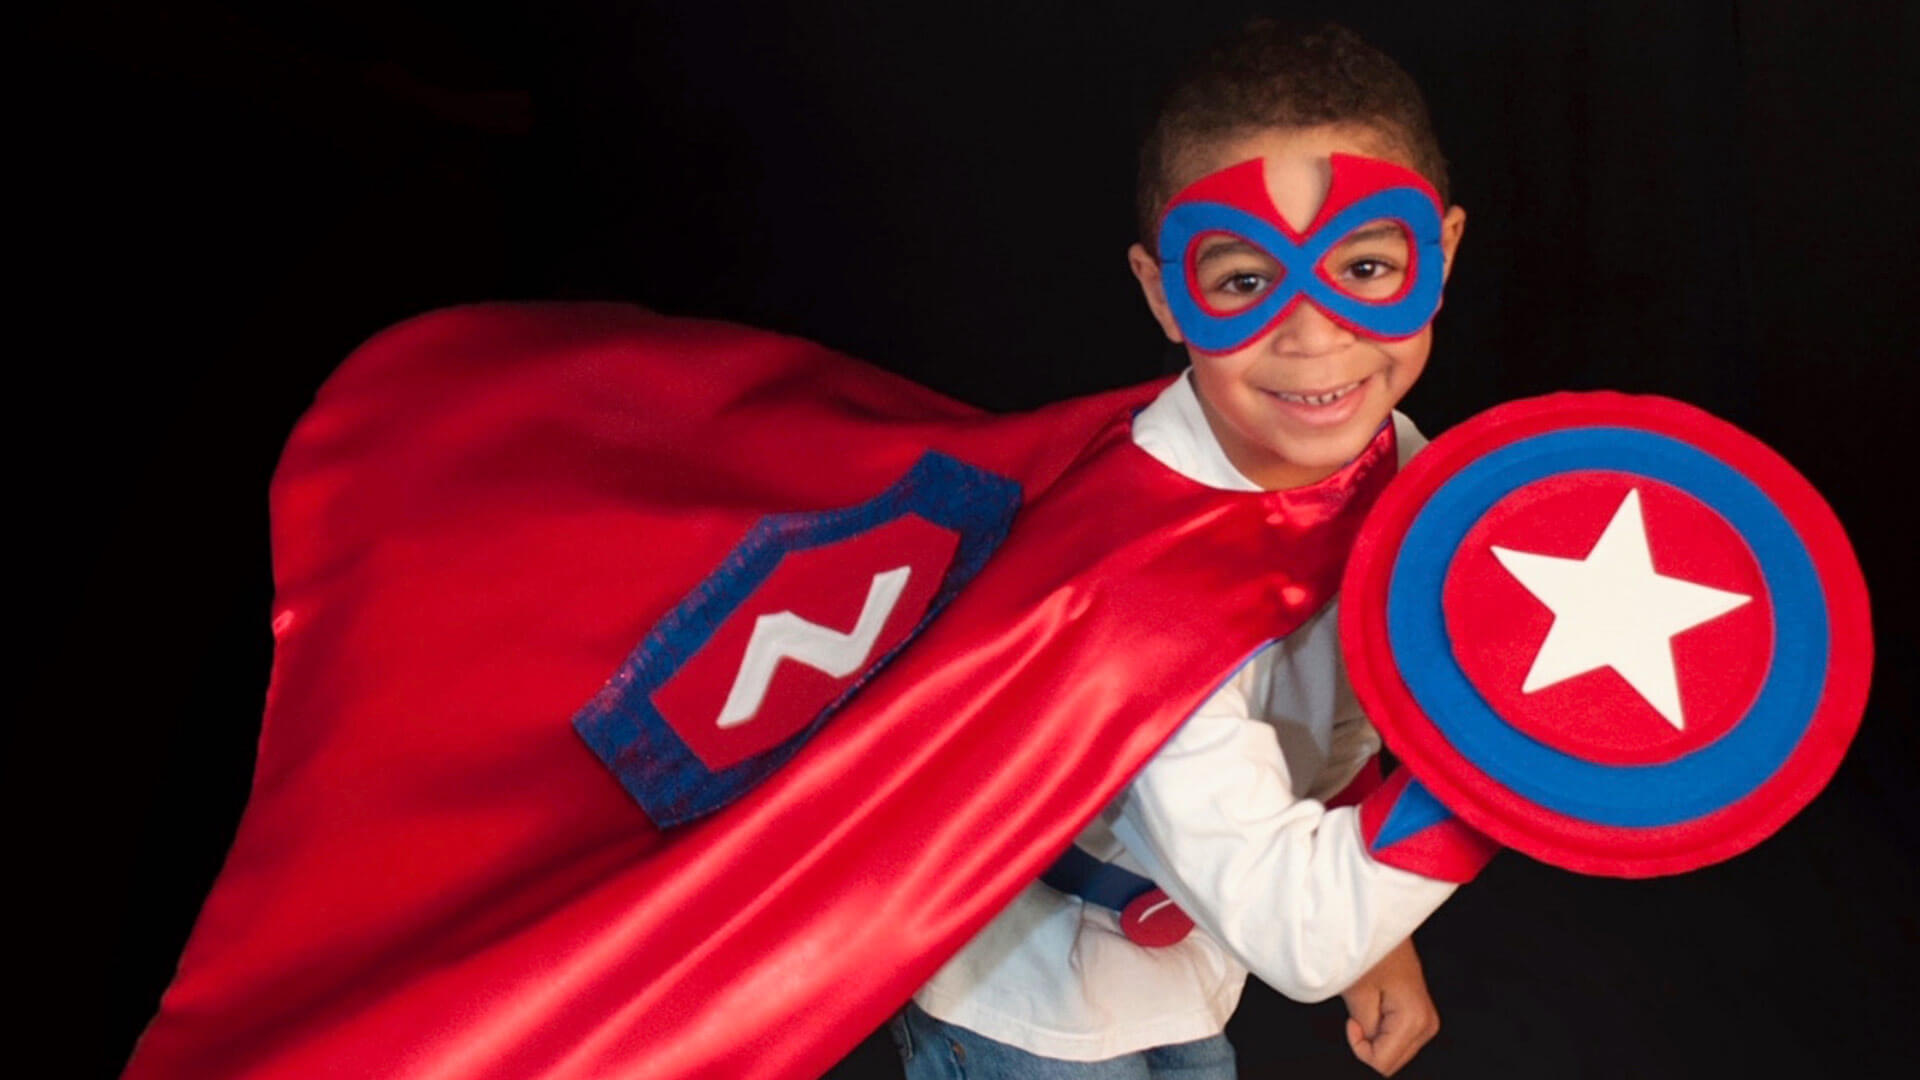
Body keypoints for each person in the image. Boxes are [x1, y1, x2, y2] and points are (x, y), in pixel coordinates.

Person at [899, 21, 1486, 1079]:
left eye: (1364, 264)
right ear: (1166, 292)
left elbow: (1354, 711)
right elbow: (1301, 934)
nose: (1316, 337)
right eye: (1248, 283)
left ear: (1436, 254)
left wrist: (1375, 931)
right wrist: (1525, 756)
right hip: (1028, 1002)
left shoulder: (1401, 467)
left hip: (1200, 950)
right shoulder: (1140, 587)